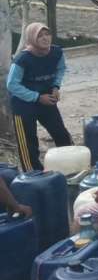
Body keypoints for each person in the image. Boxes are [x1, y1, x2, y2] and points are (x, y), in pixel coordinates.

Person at [6, 22, 73, 171]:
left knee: (61, 134)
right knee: (28, 143)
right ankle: (33, 175)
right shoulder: (22, 59)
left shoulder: (56, 52)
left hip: (46, 100)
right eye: (40, 35)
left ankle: (71, 166)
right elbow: (12, 85)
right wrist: (37, 97)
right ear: (31, 38)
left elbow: (61, 69)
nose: (45, 38)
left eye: (47, 34)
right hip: (23, 104)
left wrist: (56, 86)